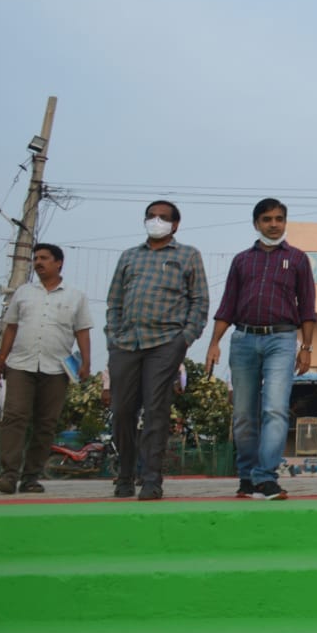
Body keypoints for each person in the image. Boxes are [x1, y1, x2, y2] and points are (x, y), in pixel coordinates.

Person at [205, 198, 316, 501]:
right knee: (243, 414)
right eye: (267, 219)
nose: (273, 224)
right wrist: (214, 343)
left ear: (285, 222)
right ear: (256, 223)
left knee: (275, 409)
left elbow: (307, 308)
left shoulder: (297, 259)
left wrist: (306, 348)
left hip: (281, 339)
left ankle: (266, 478)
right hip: (243, 340)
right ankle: (247, 477)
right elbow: (227, 305)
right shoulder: (242, 260)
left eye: (279, 218)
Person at [106, 200, 208, 500]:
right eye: (151, 216)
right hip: (125, 342)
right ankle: (125, 474)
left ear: (175, 225)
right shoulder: (129, 257)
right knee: (122, 411)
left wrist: (185, 338)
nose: (157, 221)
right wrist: (112, 335)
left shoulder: (188, 255)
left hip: (165, 343)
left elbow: (199, 301)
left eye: (163, 217)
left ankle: (151, 479)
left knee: (156, 410)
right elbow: (115, 300)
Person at [0, 244, 92, 495]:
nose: (38, 262)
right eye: (36, 258)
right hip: (20, 365)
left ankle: (31, 477)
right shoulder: (23, 293)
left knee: (45, 424)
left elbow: (82, 332)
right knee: (15, 417)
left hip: (56, 369)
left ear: (59, 263)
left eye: (44, 258)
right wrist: (1, 357)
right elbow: (12, 327)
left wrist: (86, 364)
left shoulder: (75, 296)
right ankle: (8, 475)